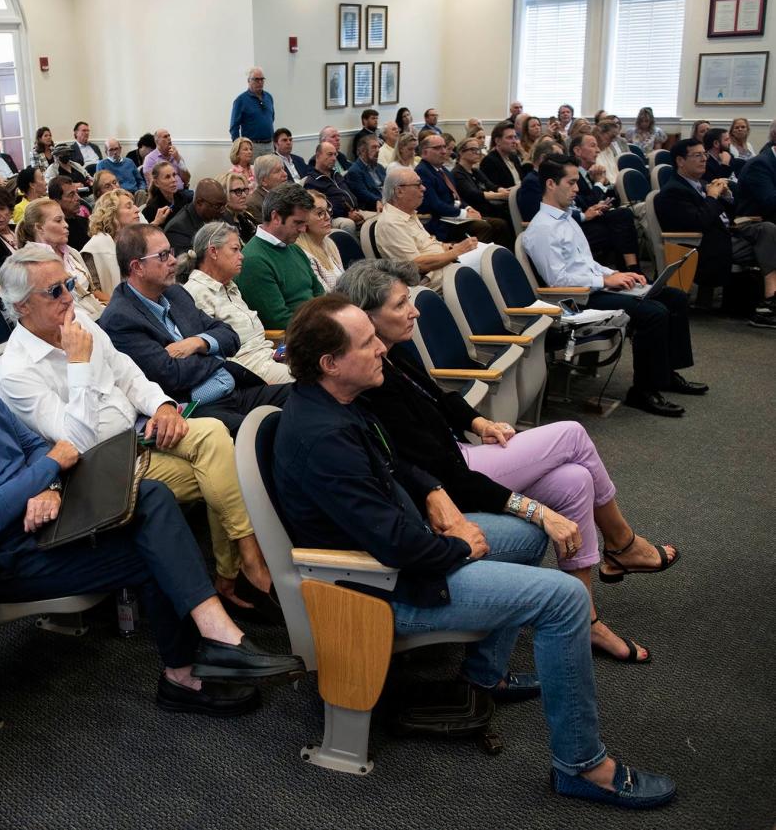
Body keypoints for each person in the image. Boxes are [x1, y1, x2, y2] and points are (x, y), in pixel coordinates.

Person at [273, 294, 676, 810]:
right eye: (368, 342)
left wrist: (431, 492)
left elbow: (394, 465)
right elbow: (393, 545)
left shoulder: (335, 404)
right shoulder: (324, 436)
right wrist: (456, 545)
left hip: (403, 548)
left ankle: (486, 674)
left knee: (532, 535)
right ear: (330, 363)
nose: (381, 348)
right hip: (381, 585)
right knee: (564, 601)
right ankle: (583, 767)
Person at [0, 313, 305, 713]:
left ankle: (216, 639)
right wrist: (50, 469)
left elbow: (31, 446)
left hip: (48, 516)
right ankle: (187, 671)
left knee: (153, 498)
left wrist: (46, 483)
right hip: (1, 557)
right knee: (153, 551)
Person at [340, 259, 682, 661]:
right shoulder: (366, 379)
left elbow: (438, 397)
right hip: (450, 485)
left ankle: (587, 619)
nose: (413, 310)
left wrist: (479, 420)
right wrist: (531, 508)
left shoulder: (394, 351)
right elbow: (437, 474)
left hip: (459, 458)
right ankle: (623, 544)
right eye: (400, 305)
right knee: (571, 434)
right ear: (364, 318)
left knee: (575, 481)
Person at [0, 248, 278, 609]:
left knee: (213, 434)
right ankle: (238, 568)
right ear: (21, 306)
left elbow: (128, 374)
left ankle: (239, 566)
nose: (68, 297)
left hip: (136, 436)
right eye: (54, 292)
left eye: (68, 284)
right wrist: (78, 362)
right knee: (222, 471)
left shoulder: (78, 319)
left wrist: (161, 406)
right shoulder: (16, 370)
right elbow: (74, 442)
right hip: (95, 469)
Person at [524, 155, 706, 417]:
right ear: (551, 184)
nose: (577, 189)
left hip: (594, 287)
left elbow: (587, 263)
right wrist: (605, 281)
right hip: (578, 299)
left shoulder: (567, 218)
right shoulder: (542, 229)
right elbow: (558, 280)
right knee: (654, 313)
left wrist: (617, 273)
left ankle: (666, 374)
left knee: (674, 297)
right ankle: (642, 391)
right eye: (571, 182)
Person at [100, 224, 289, 437]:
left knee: (304, 395)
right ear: (137, 267)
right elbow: (171, 375)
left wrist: (198, 343)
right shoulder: (120, 318)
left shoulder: (175, 293)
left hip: (234, 389)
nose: (173, 260)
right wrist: (215, 353)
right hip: (196, 407)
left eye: (170, 252)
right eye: (163, 256)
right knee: (267, 430)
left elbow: (229, 335)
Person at [656, 138, 776, 328]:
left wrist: (726, 196)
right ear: (680, 161)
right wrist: (712, 197)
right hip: (705, 248)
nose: (704, 159)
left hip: (727, 236)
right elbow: (699, 222)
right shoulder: (673, 191)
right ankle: (769, 301)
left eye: (704, 154)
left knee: (767, 230)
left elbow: (727, 214)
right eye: (697, 155)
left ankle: (770, 300)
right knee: (769, 237)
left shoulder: (701, 183)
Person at [185, 222, 291, 386]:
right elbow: (210, 352)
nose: (241, 256)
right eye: (235, 249)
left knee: (323, 358)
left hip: (269, 355)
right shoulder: (195, 292)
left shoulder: (230, 286)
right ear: (213, 251)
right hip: (247, 371)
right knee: (314, 379)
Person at [373, 167, 477, 292]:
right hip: (432, 282)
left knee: (487, 260)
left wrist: (450, 247)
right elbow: (416, 265)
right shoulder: (390, 223)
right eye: (418, 184)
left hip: (443, 269)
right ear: (399, 191)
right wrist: (457, 252)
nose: (424, 188)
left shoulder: (408, 213)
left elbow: (427, 245)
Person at [234, 184, 321, 329]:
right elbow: (278, 321)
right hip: (299, 338)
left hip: (317, 326)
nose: (303, 229)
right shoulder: (253, 261)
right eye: (298, 223)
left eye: (305, 223)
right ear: (275, 217)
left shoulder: (294, 248)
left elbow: (319, 292)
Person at [17, 199, 106, 319]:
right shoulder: (32, 264)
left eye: (64, 219)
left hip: (95, 314)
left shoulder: (71, 252)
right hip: (68, 321)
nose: (66, 224)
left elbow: (90, 291)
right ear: (39, 228)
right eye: (58, 220)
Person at [570, 133, 640, 271]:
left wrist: (605, 183)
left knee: (622, 217)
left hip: (596, 216)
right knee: (622, 220)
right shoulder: (573, 175)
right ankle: (632, 270)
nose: (598, 150)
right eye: (592, 146)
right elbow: (585, 204)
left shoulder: (590, 173)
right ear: (577, 151)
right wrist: (598, 184)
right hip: (581, 221)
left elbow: (614, 201)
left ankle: (629, 271)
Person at [416, 134, 501, 243]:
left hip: (454, 217)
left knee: (499, 224)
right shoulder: (422, 171)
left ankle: (499, 257)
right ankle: (474, 259)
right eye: (437, 148)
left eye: (444, 147)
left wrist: (468, 208)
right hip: (440, 222)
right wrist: (464, 214)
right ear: (424, 152)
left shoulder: (443, 170)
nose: (443, 151)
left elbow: (456, 196)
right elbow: (435, 204)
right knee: (483, 227)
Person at [81, 189, 141, 296]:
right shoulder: (95, 248)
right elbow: (93, 291)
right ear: (112, 213)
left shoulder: (134, 242)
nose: (137, 210)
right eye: (129, 206)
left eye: (135, 205)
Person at [452, 136, 514, 236]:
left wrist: (502, 190)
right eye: (473, 150)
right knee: (501, 223)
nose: (478, 153)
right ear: (461, 152)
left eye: (479, 149)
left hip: (486, 207)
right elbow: (473, 194)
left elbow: (490, 185)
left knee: (508, 213)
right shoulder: (457, 173)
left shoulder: (475, 171)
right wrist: (500, 196)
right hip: (475, 210)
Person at [304, 142, 366, 231]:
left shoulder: (337, 175)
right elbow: (320, 209)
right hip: (332, 218)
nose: (334, 158)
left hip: (355, 211)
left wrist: (355, 211)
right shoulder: (312, 182)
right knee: (348, 224)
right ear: (318, 156)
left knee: (378, 217)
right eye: (330, 154)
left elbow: (350, 194)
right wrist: (347, 214)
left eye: (335, 155)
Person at [296, 191, 345, 292]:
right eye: (320, 213)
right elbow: (326, 296)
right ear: (303, 219)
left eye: (328, 211)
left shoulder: (329, 243)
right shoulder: (303, 255)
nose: (328, 217)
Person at [164, 179, 227, 256]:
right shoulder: (177, 230)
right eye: (218, 206)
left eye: (224, 205)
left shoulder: (220, 215)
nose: (223, 211)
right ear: (199, 202)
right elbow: (187, 265)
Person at [229, 68, 275, 154]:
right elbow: (234, 127)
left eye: (262, 79)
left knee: (270, 168)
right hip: (252, 146)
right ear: (248, 81)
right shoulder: (241, 100)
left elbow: (271, 119)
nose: (260, 82)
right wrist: (239, 147)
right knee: (253, 168)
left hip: (270, 145)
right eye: (256, 79)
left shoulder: (269, 97)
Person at [344, 133, 386, 213]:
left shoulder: (380, 167)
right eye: (374, 147)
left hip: (387, 203)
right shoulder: (354, 171)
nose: (378, 150)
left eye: (378, 147)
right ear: (362, 151)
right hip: (372, 207)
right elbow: (362, 193)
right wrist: (378, 200)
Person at [49, 176, 91, 251]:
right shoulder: (55, 233)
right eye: (71, 195)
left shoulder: (86, 222)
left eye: (77, 193)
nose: (78, 198)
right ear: (56, 201)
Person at [143, 161, 191, 226]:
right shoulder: (151, 209)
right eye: (167, 177)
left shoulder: (186, 198)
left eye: (174, 175)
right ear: (157, 183)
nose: (173, 180)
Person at [245, 154, 289, 221]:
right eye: (277, 171)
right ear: (264, 181)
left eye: (283, 169)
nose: (285, 174)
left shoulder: (288, 195)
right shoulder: (253, 204)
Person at [220, 171, 259, 244]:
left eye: (245, 190)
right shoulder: (221, 226)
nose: (244, 195)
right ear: (225, 194)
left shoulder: (246, 217)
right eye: (238, 191)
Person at [482, 121, 524, 188]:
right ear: (498, 141)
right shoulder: (489, 161)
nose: (514, 141)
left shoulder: (514, 157)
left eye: (515, 137)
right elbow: (495, 189)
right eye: (510, 137)